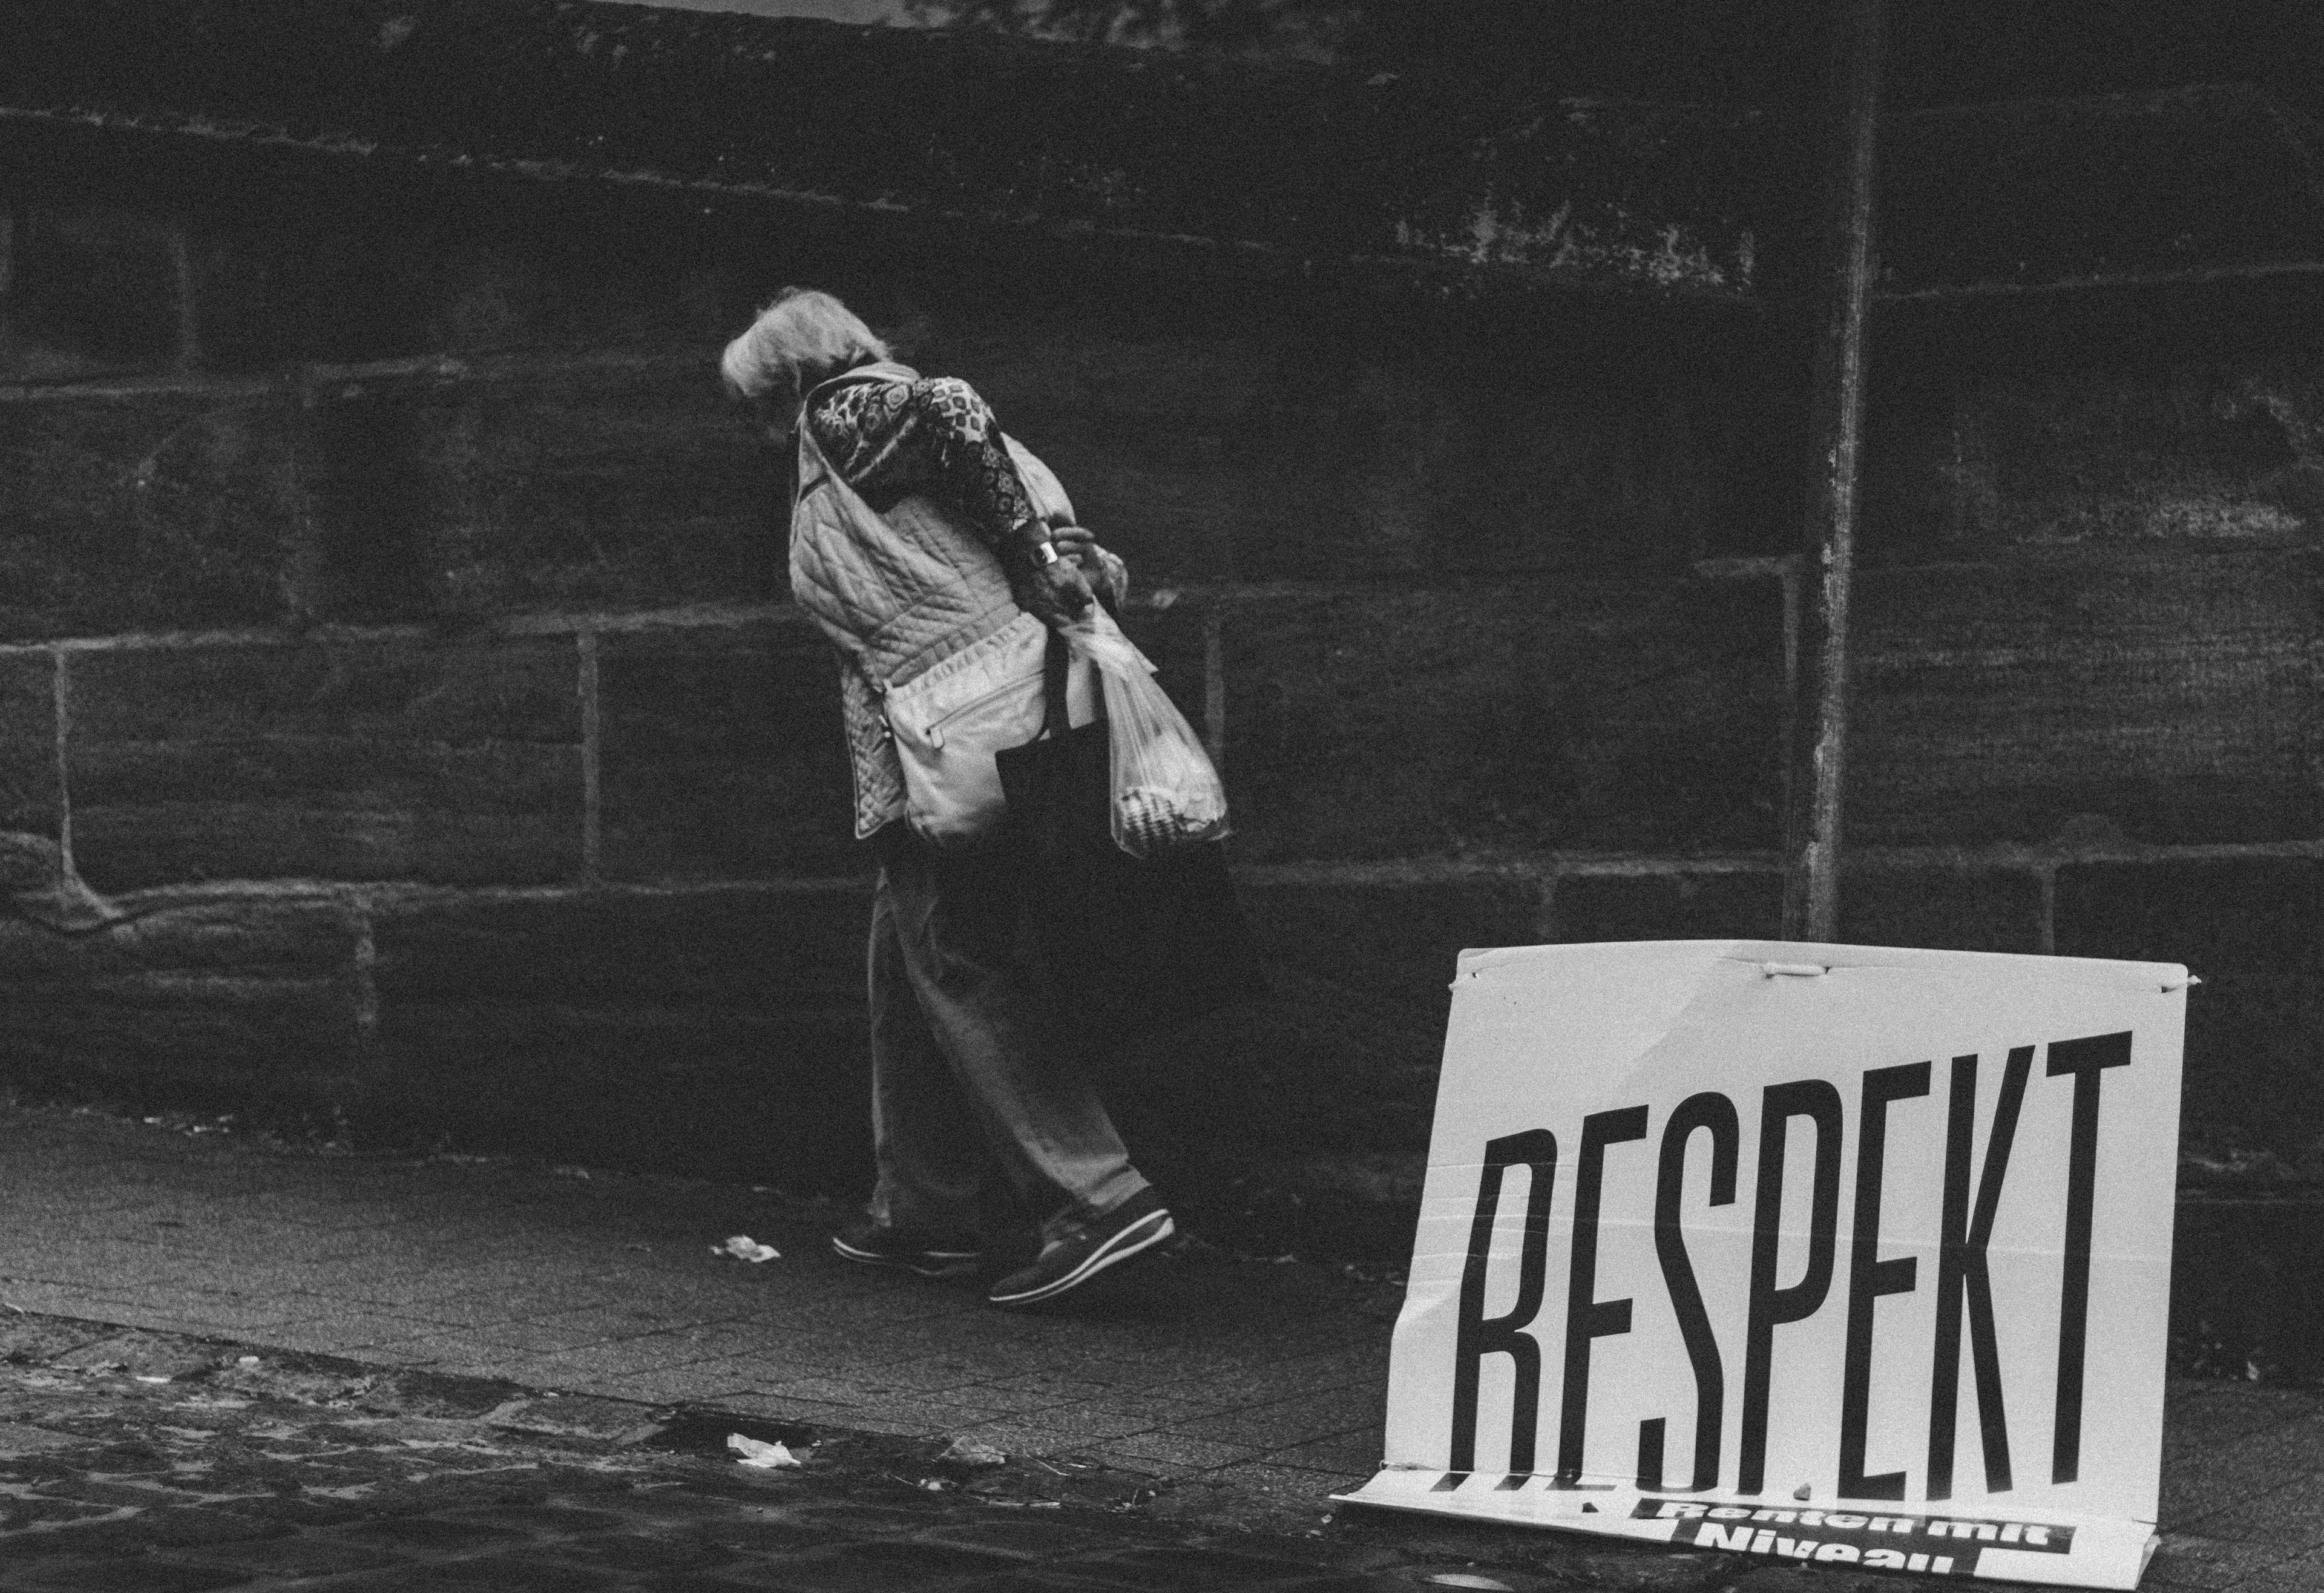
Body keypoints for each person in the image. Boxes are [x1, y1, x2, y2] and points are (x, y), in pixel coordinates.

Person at [720, 287, 1173, 1308]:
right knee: (905, 958)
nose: (759, 429)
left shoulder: (849, 408)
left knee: (959, 957)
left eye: (759, 403)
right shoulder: (882, 440)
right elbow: (1075, 541)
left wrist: (1027, 559)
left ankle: (1099, 1198)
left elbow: (950, 410)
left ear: (793, 377)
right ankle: (925, 1207)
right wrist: (1048, 561)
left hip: (958, 729)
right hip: (981, 717)